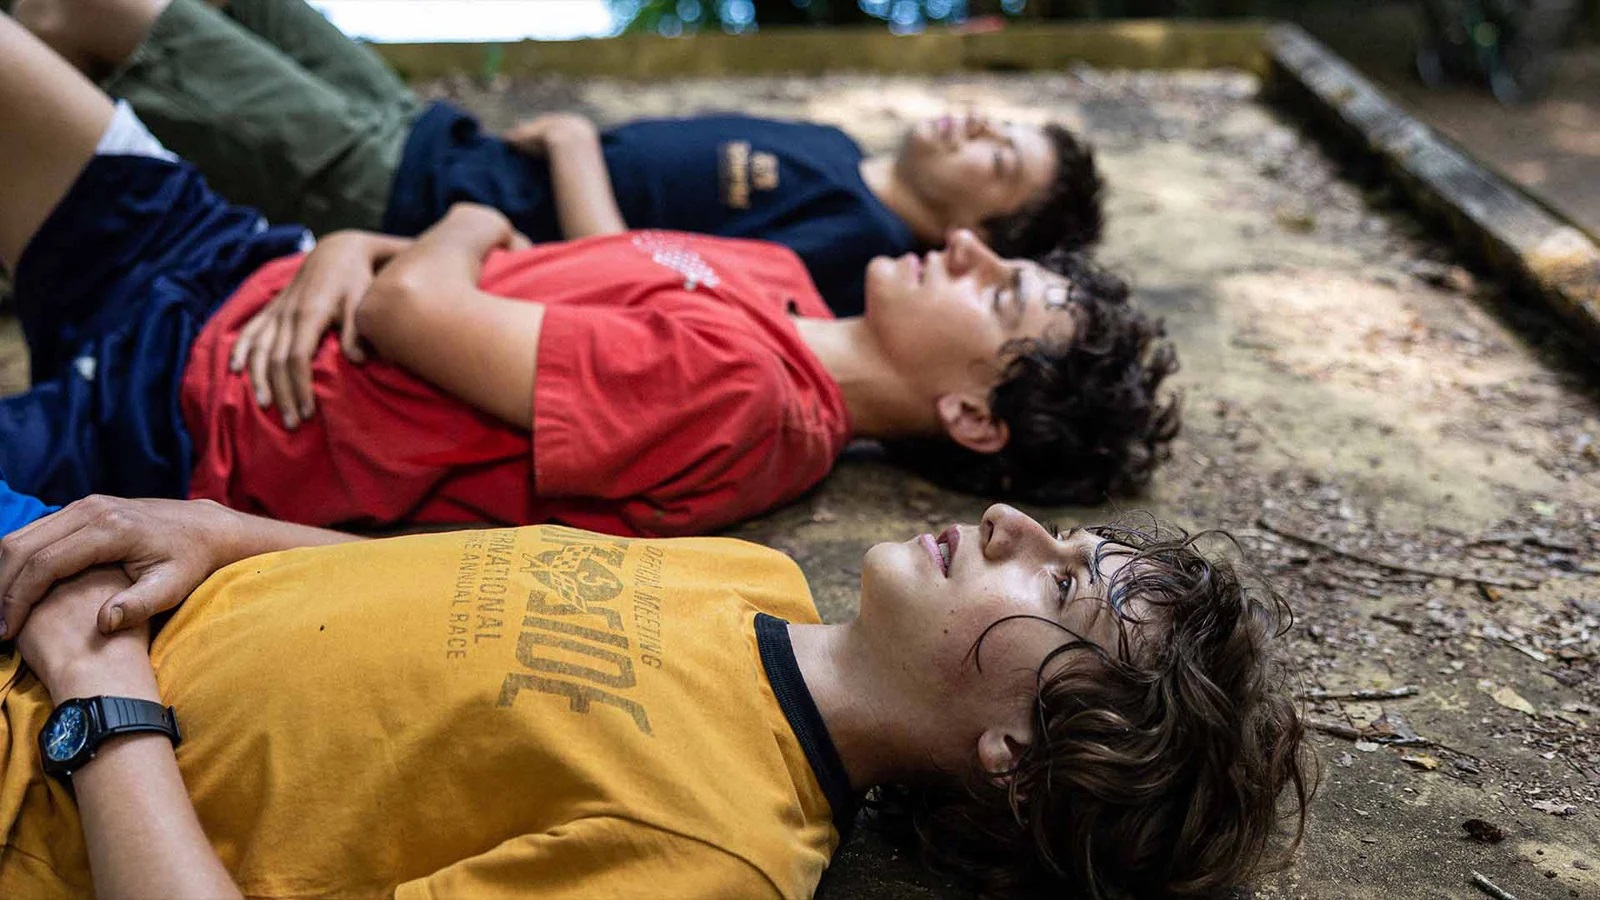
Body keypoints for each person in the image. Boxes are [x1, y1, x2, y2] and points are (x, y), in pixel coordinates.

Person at [0, 12, 1178, 538]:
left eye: (1000, 291)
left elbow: (416, 307)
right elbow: (485, 272)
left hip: (184, 417)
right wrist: (351, 247)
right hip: (227, 266)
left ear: (970, 415)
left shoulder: (747, 399)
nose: (970, 250)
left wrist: (451, 224)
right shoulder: (772, 281)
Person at [0, 491, 1312, 898]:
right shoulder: (749, 575)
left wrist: (99, 699)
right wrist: (214, 529)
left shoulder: (718, 850)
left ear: (1018, 756)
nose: (1016, 521)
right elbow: (427, 586)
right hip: (77, 578)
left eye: (1061, 587)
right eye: (1069, 539)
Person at [12, 0, 1107, 316]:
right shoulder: (828, 147)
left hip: (399, 189)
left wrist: (578, 145)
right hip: (427, 134)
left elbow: (635, 286)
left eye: (1001, 159)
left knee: (107, 16)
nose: (976, 127)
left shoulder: (855, 249)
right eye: (994, 118)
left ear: (978, 234)